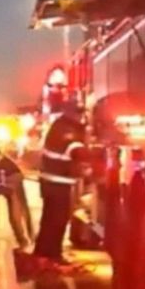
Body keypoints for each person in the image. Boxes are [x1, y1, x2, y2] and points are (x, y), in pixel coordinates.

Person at [33, 101, 89, 266]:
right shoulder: (68, 129)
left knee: (50, 220)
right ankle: (52, 255)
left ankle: (43, 254)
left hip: (53, 181)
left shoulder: (61, 125)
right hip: (57, 182)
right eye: (80, 113)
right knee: (57, 220)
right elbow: (77, 151)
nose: (82, 116)